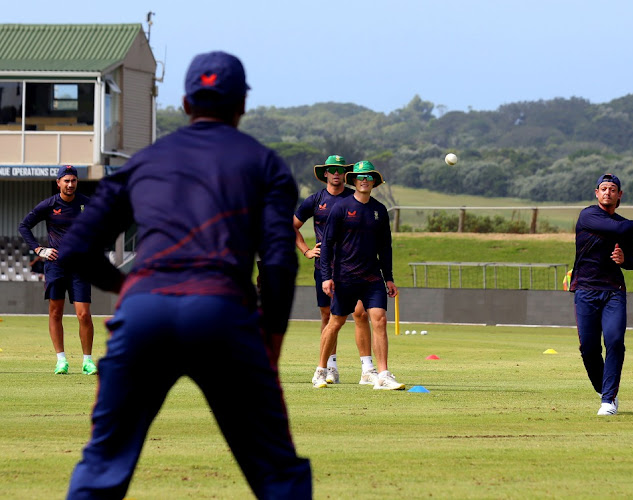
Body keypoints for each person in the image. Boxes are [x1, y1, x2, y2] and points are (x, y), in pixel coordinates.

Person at [57, 51, 312, 498]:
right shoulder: (265, 163)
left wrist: (129, 288)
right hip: (223, 314)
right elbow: (278, 261)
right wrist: (270, 338)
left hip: (143, 316)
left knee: (101, 468)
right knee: (277, 474)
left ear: (186, 103)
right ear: (242, 104)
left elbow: (76, 247)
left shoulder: (144, 161)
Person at [570, 173, 633, 416]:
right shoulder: (589, 215)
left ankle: (608, 398)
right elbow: (620, 227)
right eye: (603, 188)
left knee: (615, 341)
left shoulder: (623, 227)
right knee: (589, 348)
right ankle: (603, 389)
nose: (607, 192)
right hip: (585, 290)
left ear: (619, 195)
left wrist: (625, 260)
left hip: (613, 292)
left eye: (612, 189)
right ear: (596, 193)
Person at [312, 160, 405, 390]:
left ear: (373, 181)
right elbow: (327, 246)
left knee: (380, 320)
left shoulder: (379, 210)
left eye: (368, 176)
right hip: (345, 277)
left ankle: (382, 375)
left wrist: (389, 277)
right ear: (353, 180)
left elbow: (385, 247)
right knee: (335, 323)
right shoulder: (341, 208)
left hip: (372, 278)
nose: (364, 180)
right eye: (360, 176)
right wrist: (326, 276)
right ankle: (320, 370)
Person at [294, 155, 378, 387]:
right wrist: (306, 251)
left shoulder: (355, 199)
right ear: (326, 174)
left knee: (360, 313)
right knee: (328, 316)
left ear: (345, 174)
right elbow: (292, 225)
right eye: (332, 170)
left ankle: (367, 369)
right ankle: (331, 367)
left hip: (354, 266)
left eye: (340, 170)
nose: (336, 173)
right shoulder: (315, 200)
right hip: (325, 267)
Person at [18, 165, 96, 375]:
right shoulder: (49, 205)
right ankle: (61, 360)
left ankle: (87, 361)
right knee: (55, 312)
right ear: (59, 183)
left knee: (84, 315)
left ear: (77, 182)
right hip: (55, 266)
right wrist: (39, 249)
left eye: (73, 181)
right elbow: (24, 226)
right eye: (66, 181)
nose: (70, 185)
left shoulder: (86, 204)